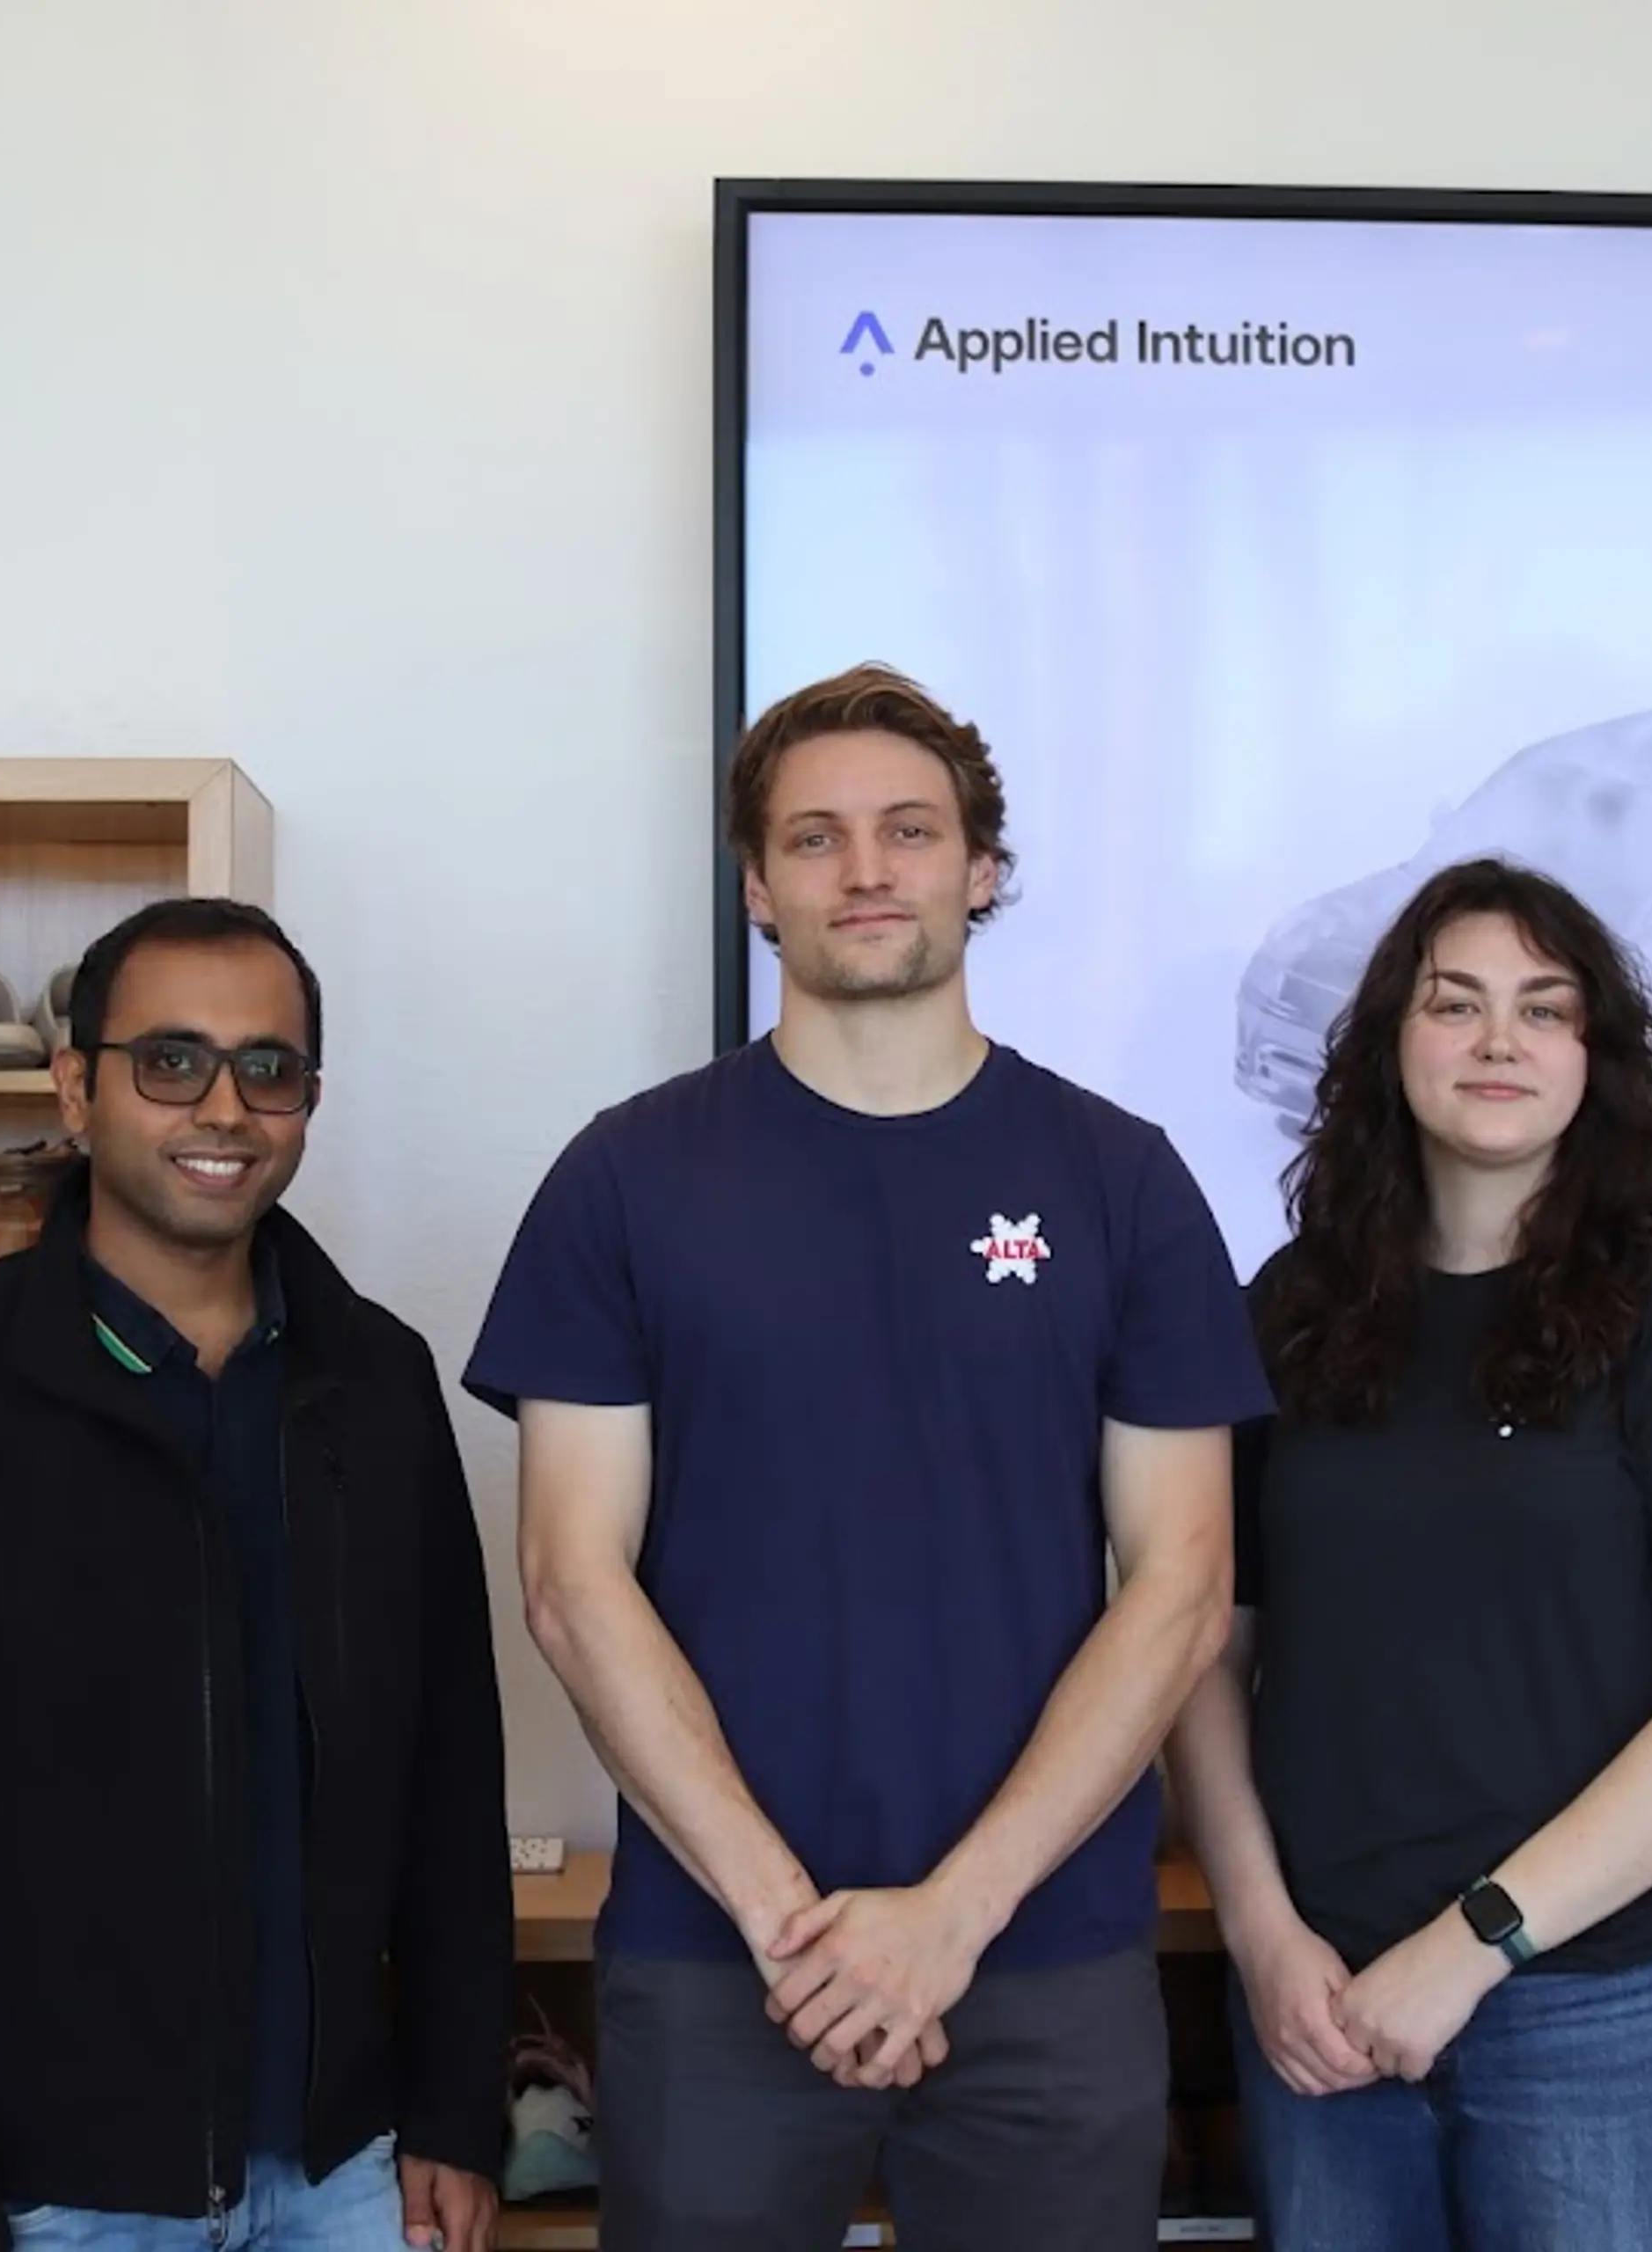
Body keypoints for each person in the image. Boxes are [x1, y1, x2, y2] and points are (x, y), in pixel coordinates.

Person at [466, 663, 1270, 2252]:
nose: (867, 869)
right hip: (722, 1960)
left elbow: (1181, 1587)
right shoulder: (626, 1179)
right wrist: (792, 1924)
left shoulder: (1120, 1181)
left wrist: (950, 1919)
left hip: (1043, 1954)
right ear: (757, 886)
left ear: (982, 869)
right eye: (815, 838)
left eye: (910, 830)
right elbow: (570, 1581)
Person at [0, 898, 510, 2252]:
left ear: (310, 1099)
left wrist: (458, 2107)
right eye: (171, 1061)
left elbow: (450, 1765)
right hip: (42, 2197)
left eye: (267, 1067)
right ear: (77, 1088)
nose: (223, 1109)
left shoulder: (378, 1381)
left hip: (345, 2180)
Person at [1170, 856, 1652, 2251]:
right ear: (1389, 1042)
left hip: (1614, 2008)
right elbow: (1203, 1655)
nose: (1497, 1041)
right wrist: (1264, 1937)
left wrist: (1474, 1944)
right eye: (1454, 1003)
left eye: (1543, 1008)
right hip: (1324, 2008)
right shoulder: (1293, 1310)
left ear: (1595, 1057)